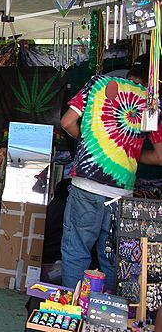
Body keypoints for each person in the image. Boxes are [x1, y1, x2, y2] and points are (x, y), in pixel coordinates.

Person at [60, 56, 162, 292]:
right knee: (113, 257)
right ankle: (107, 318)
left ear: (130, 73)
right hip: (121, 192)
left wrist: (86, 140)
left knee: (76, 251)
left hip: (86, 184)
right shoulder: (151, 101)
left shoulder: (97, 85)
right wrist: (131, 154)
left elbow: (67, 122)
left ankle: (73, 315)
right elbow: (159, 157)